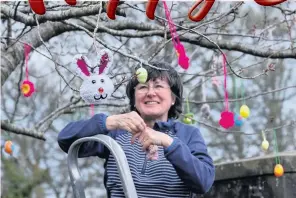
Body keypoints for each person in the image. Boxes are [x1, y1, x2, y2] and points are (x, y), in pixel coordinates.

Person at [58, 61, 215, 198]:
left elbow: (204, 181)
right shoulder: (116, 132)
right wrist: (108, 121)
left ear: (173, 98)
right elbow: (66, 139)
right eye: (143, 87)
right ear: (134, 98)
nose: (150, 93)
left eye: (158, 86)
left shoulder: (188, 135)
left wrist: (169, 143)